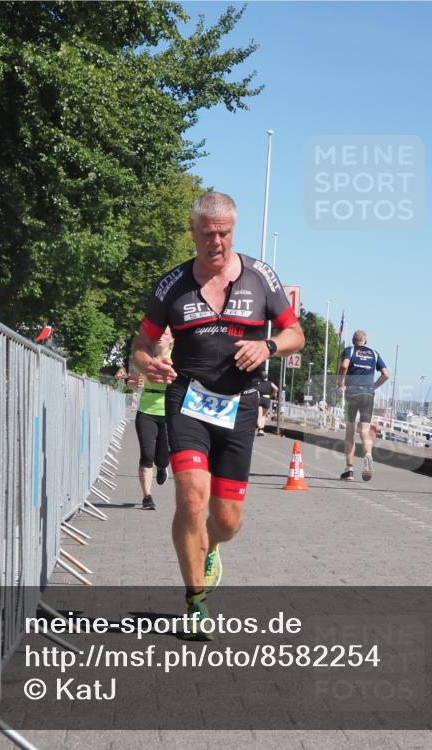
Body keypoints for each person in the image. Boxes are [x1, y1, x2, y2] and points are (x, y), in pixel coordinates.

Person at [130, 191, 305, 640]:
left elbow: (295, 334)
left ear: (233, 231)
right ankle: (195, 601)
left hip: (241, 404)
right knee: (190, 496)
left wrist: (267, 345)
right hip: (187, 398)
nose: (216, 243)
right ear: (192, 234)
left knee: (227, 519)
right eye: (207, 234)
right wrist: (152, 364)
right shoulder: (172, 286)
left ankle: (208, 547)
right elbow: (138, 348)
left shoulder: (260, 277)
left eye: (224, 234)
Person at [336, 330, 389, 481]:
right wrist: (373, 386)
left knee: (350, 432)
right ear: (365, 341)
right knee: (365, 431)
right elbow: (386, 374)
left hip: (352, 393)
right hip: (368, 394)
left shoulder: (350, 350)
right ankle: (368, 456)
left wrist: (340, 383)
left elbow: (344, 366)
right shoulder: (374, 353)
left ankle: (349, 470)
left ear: (353, 341)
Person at [132, 331, 174, 510]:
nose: (160, 336)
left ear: (171, 339)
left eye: (165, 333)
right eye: (159, 332)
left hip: (168, 412)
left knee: (162, 456)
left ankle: (163, 466)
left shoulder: (177, 357)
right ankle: (147, 497)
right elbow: (133, 380)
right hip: (146, 410)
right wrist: (135, 382)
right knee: (147, 455)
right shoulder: (144, 356)